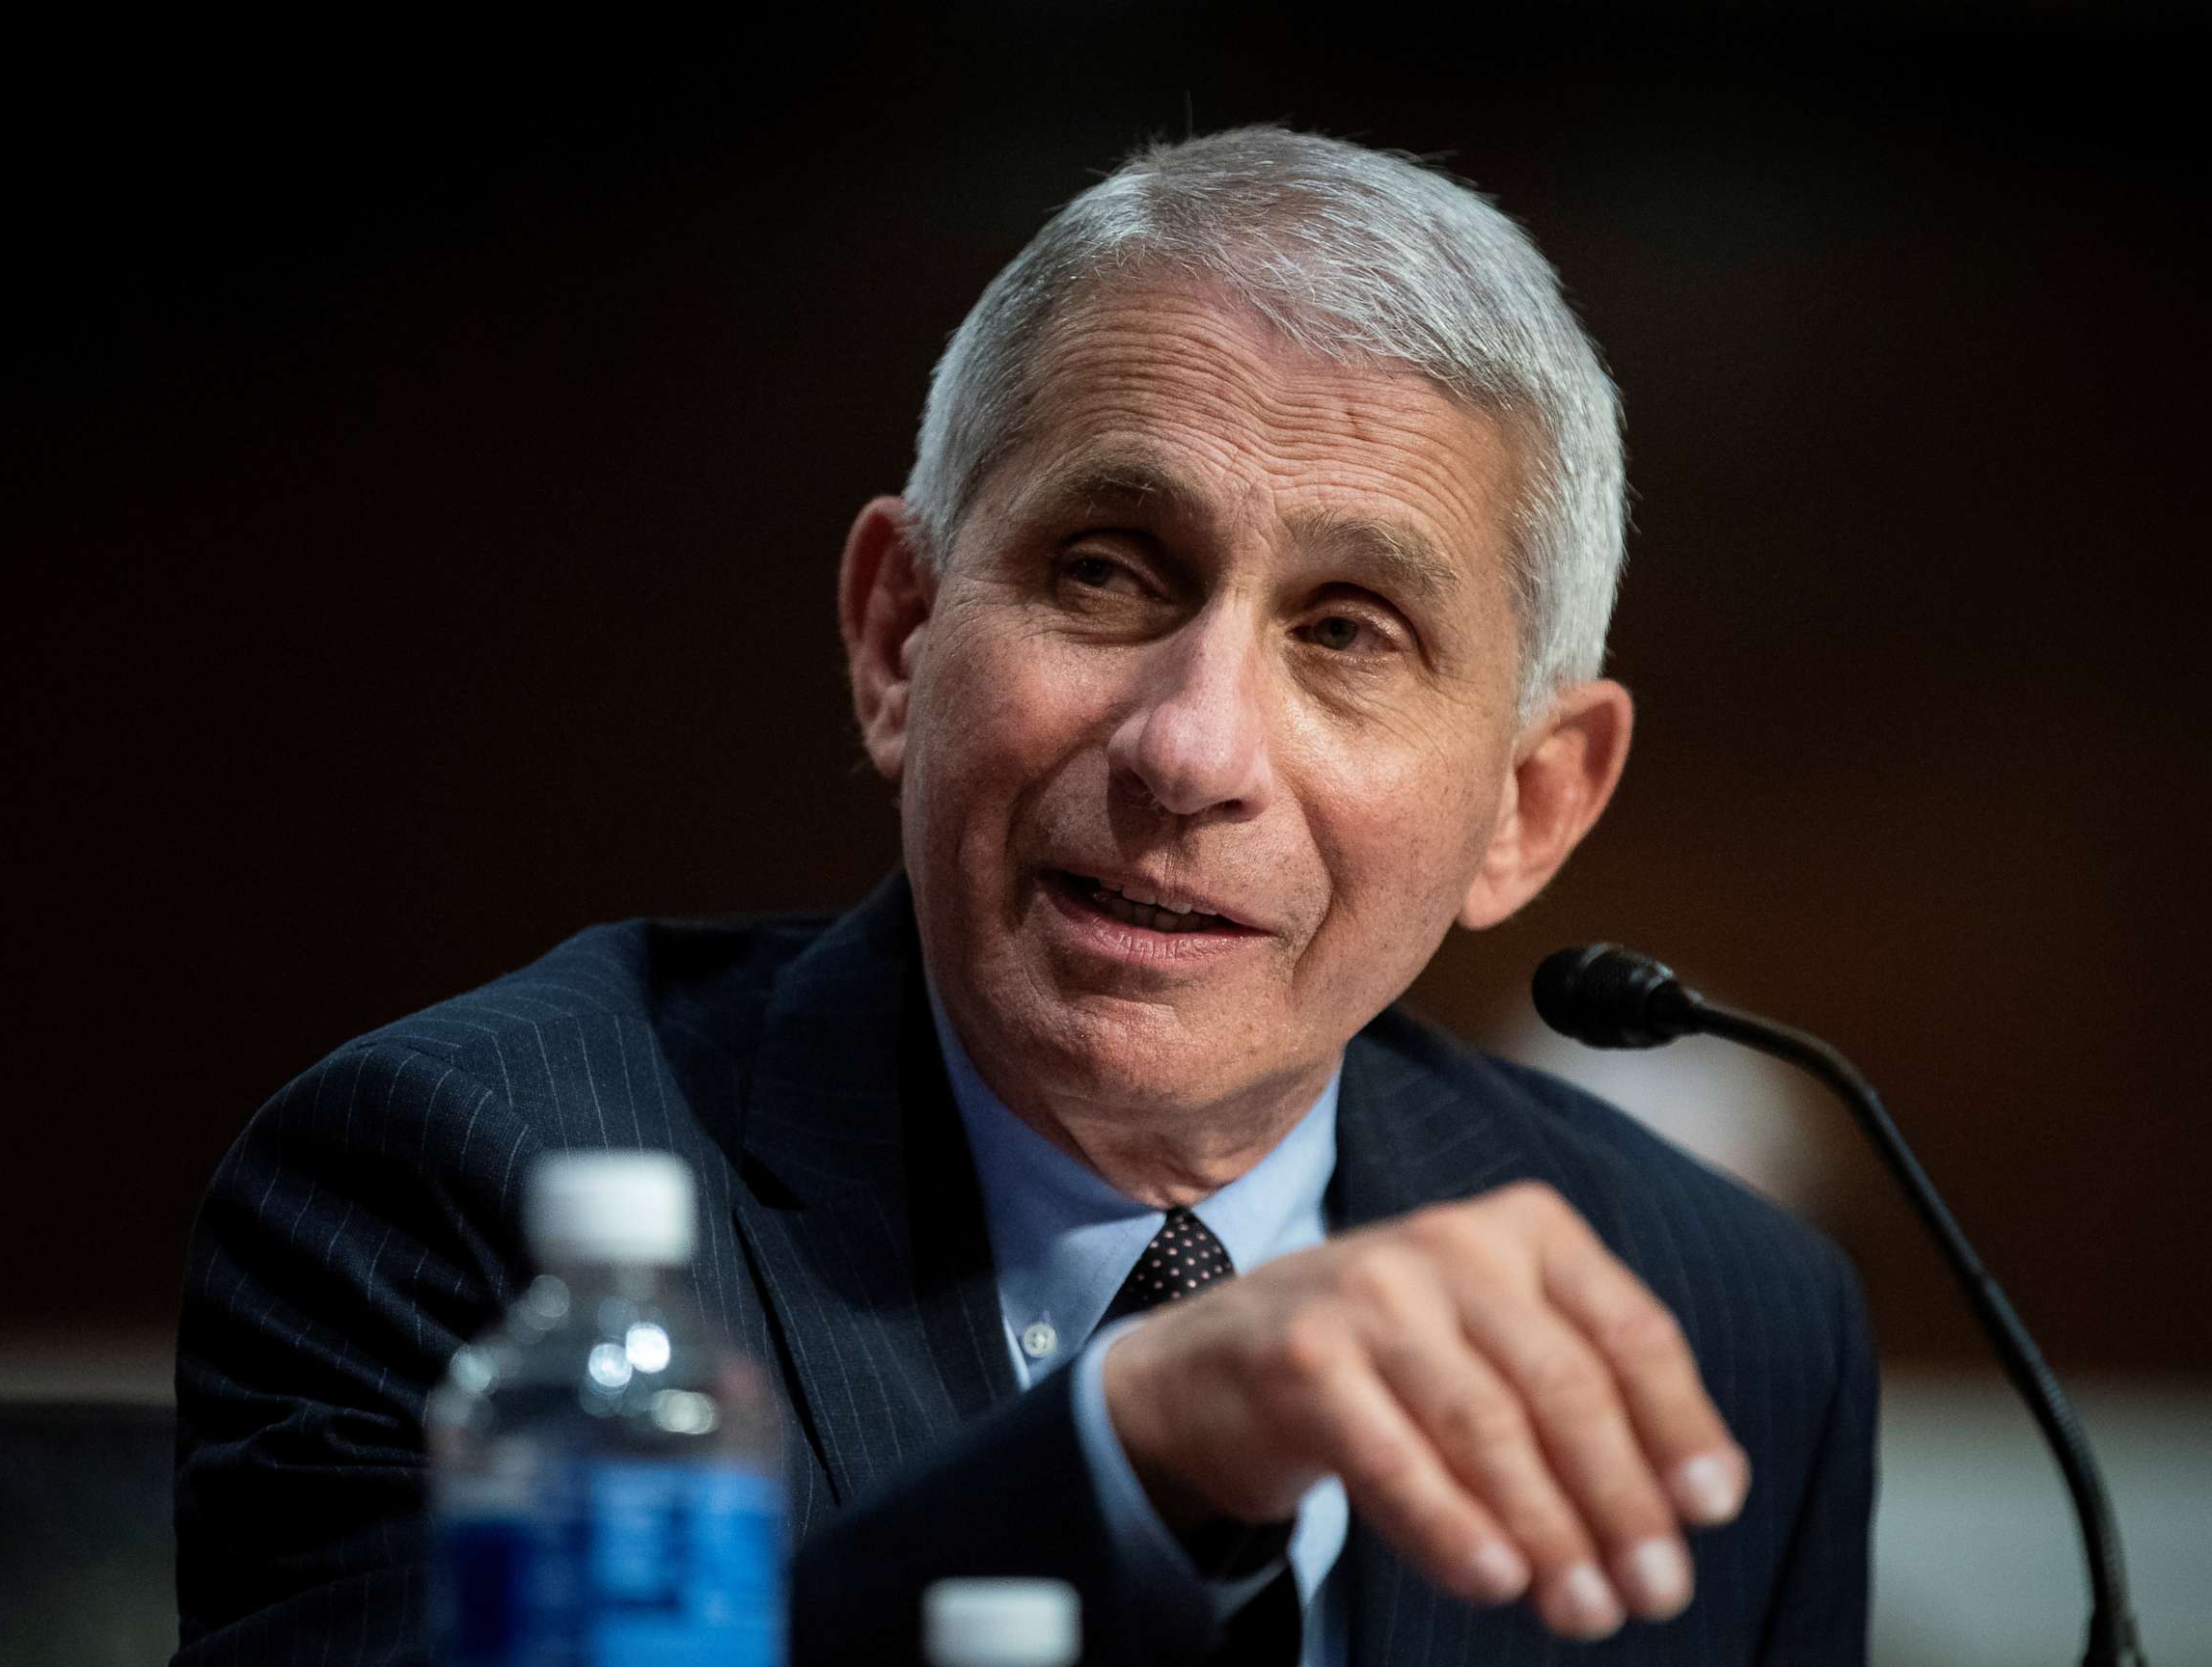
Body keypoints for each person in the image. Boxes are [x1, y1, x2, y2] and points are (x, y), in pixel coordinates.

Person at [173, 126, 1876, 1666]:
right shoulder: (448, 1184)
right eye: (1107, 570)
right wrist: (1133, 1461)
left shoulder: (1725, 1319)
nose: (1194, 749)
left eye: (1349, 629)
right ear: (897, 638)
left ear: (1531, 801)